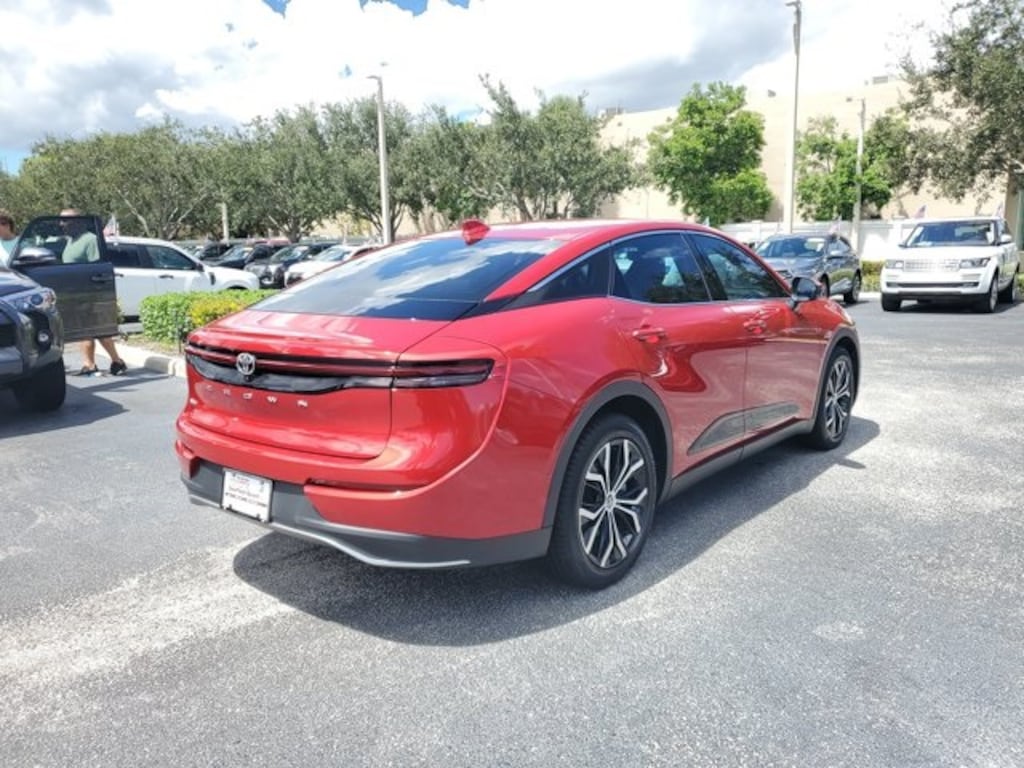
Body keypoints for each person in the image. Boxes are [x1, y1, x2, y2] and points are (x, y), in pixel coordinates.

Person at [59, 208, 128, 376]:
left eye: (65, 220)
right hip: (74, 294)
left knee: (88, 330)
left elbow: (95, 267)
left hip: (88, 294)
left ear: (78, 222)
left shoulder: (90, 240)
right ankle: (112, 362)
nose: (61, 224)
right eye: (61, 220)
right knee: (93, 331)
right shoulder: (70, 241)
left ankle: (94, 364)